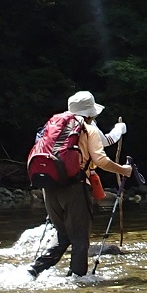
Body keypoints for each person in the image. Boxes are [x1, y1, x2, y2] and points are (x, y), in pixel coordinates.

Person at [29, 90, 136, 276]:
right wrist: (123, 170)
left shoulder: (54, 126)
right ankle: (78, 282)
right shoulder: (89, 129)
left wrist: (117, 131)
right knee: (80, 240)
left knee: (63, 235)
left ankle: (33, 271)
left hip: (49, 185)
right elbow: (101, 160)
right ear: (91, 112)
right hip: (76, 188)